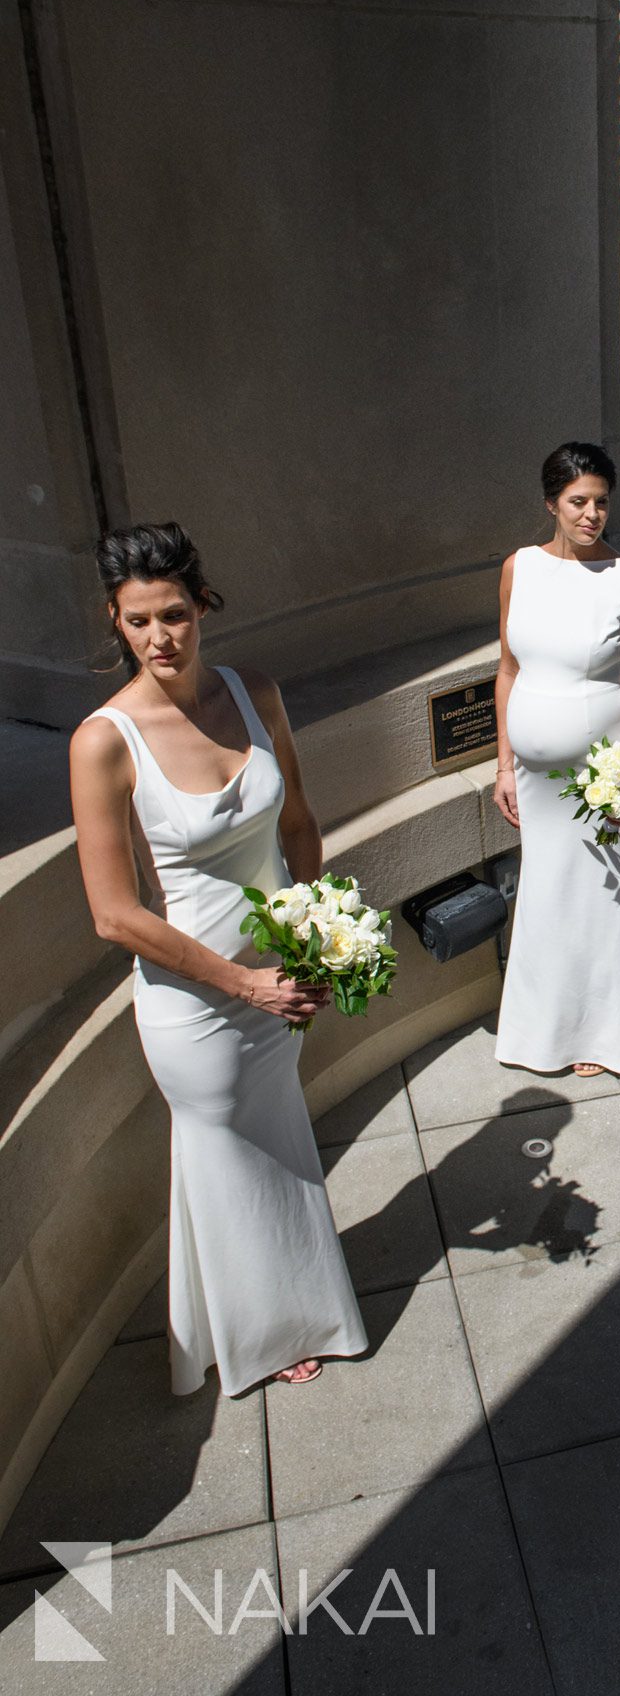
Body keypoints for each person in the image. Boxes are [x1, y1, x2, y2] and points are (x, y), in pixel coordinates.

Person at [70, 523, 366, 1394]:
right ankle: (270, 1332)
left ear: (203, 606)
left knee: (272, 1147)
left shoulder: (254, 691)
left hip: (283, 982)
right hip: (197, 1004)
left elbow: (302, 826)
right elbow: (114, 916)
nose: (160, 638)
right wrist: (245, 982)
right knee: (232, 1157)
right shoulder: (103, 741)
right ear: (115, 624)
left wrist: (311, 934)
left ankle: (249, 1314)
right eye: (137, 621)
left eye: (174, 614)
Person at [492, 442, 620, 1078]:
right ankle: (544, 1031)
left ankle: (602, 1034)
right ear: (551, 505)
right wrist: (505, 765)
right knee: (546, 894)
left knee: (598, 896)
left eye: (600, 502)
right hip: (535, 779)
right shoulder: (519, 569)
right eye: (578, 502)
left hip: (604, 780)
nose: (591, 514)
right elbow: (507, 671)